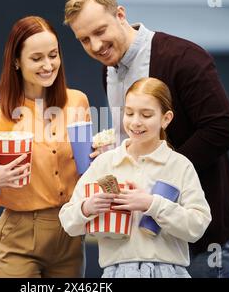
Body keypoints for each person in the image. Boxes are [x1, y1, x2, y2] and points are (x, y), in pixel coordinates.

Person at [63, 0, 229, 278]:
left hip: (202, 240)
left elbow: (222, 128)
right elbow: (140, 137)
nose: (95, 46)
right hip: (142, 246)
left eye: (100, 31)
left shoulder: (185, 58)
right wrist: (121, 152)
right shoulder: (107, 69)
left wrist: (162, 170)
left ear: (120, 15)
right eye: (84, 39)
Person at [0, 16, 90, 278]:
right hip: (19, 238)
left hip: (70, 232)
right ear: (16, 62)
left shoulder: (78, 102)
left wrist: (100, 156)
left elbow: (85, 169)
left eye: (53, 55)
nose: (48, 65)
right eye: (37, 58)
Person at [60, 77, 211, 278]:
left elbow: (197, 226)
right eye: (129, 113)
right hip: (117, 272)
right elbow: (68, 221)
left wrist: (152, 204)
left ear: (166, 119)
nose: (135, 122)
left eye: (146, 115)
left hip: (169, 272)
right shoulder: (105, 163)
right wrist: (87, 208)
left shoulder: (180, 166)